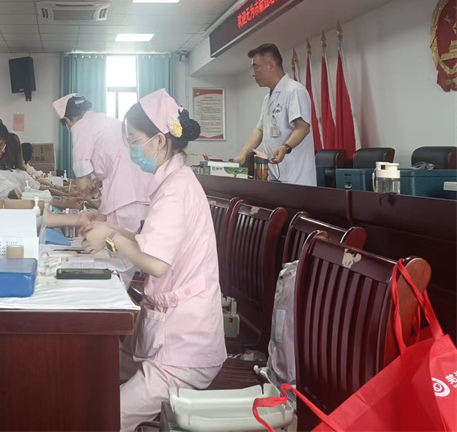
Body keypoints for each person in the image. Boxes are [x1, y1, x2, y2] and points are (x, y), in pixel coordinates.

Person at [81, 89, 226, 431]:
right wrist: (111, 228)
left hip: (185, 349)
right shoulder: (171, 182)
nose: (131, 149)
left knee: (104, 416)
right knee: (90, 371)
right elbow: (149, 243)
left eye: (134, 141)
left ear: (159, 141)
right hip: (166, 333)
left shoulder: (176, 190)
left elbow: (156, 263)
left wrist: (111, 239)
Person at [52, 94, 150, 233]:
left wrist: (82, 191)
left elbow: (82, 183)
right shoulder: (103, 120)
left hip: (125, 195)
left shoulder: (80, 126)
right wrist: (95, 184)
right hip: (141, 189)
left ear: (67, 121)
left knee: (120, 240)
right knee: (136, 238)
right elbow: (109, 159)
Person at [233, 43, 316, 186]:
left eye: (256, 67)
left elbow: (303, 127)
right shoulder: (268, 98)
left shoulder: (294, 90)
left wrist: (285, 147)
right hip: (274, 176)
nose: (253, 73)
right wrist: (244, 153)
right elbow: (259, 130)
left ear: (271, 65)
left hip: (296, 178)